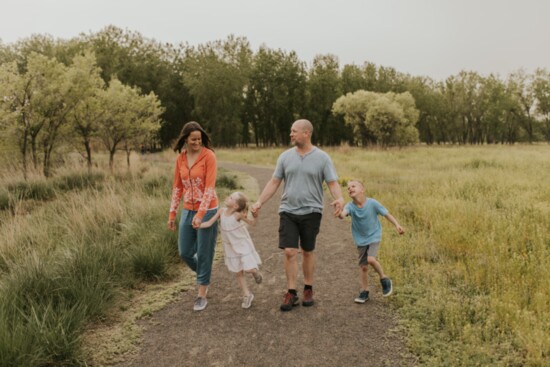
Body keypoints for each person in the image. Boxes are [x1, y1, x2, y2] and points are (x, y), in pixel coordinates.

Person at [251, 119, 344, 312]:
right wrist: (259, 201)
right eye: (291, 131)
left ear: (306, 133)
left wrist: (340, 199)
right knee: (289, 251)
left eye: (294, 131)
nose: (291, 134)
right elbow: (274, 182)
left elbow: (332, 183)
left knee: (308, 251)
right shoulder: (285, 157)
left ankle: (308, 288)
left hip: (312, 211)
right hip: (288, 210)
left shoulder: (322, 158)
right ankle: (291, 292)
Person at [168, 121, 219, 312]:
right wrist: (172, 214)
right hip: (187, 210)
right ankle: (204, 276)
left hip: (208, 210)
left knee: (205, 253)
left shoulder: (209, 156)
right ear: (186, 140)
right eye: (193, 139)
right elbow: (177, 187)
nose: (197, 142)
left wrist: (201, 215)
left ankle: (201, 294)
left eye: (199, 139)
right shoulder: (180, 159)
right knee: (185, 252)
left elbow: (209, 188)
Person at [338, 179, 405, 303]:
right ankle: (364, 292)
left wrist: (397, 225)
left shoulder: (373, 203)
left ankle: (384, 279)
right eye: (348, 188)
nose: (350, 189)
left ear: (362, 190)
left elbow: (386, 214)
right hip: (360, 239)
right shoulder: (350, 206)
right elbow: (343, 215)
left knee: (370, 259)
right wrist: (339, 212)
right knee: (363, 267)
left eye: (353, 186)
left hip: (374, 236)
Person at [200, 191, 263, 309]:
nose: (228, 197)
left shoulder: (238, 215)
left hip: (242, 244)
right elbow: (208, 223)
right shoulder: (221, 211)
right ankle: (247, 295)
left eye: (231, 198)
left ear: (235, 206)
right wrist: (197, 225)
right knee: (238, 272)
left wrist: (255, 216)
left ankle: (255, 272)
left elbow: (253, 223)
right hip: (230, 247)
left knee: (248, 269)